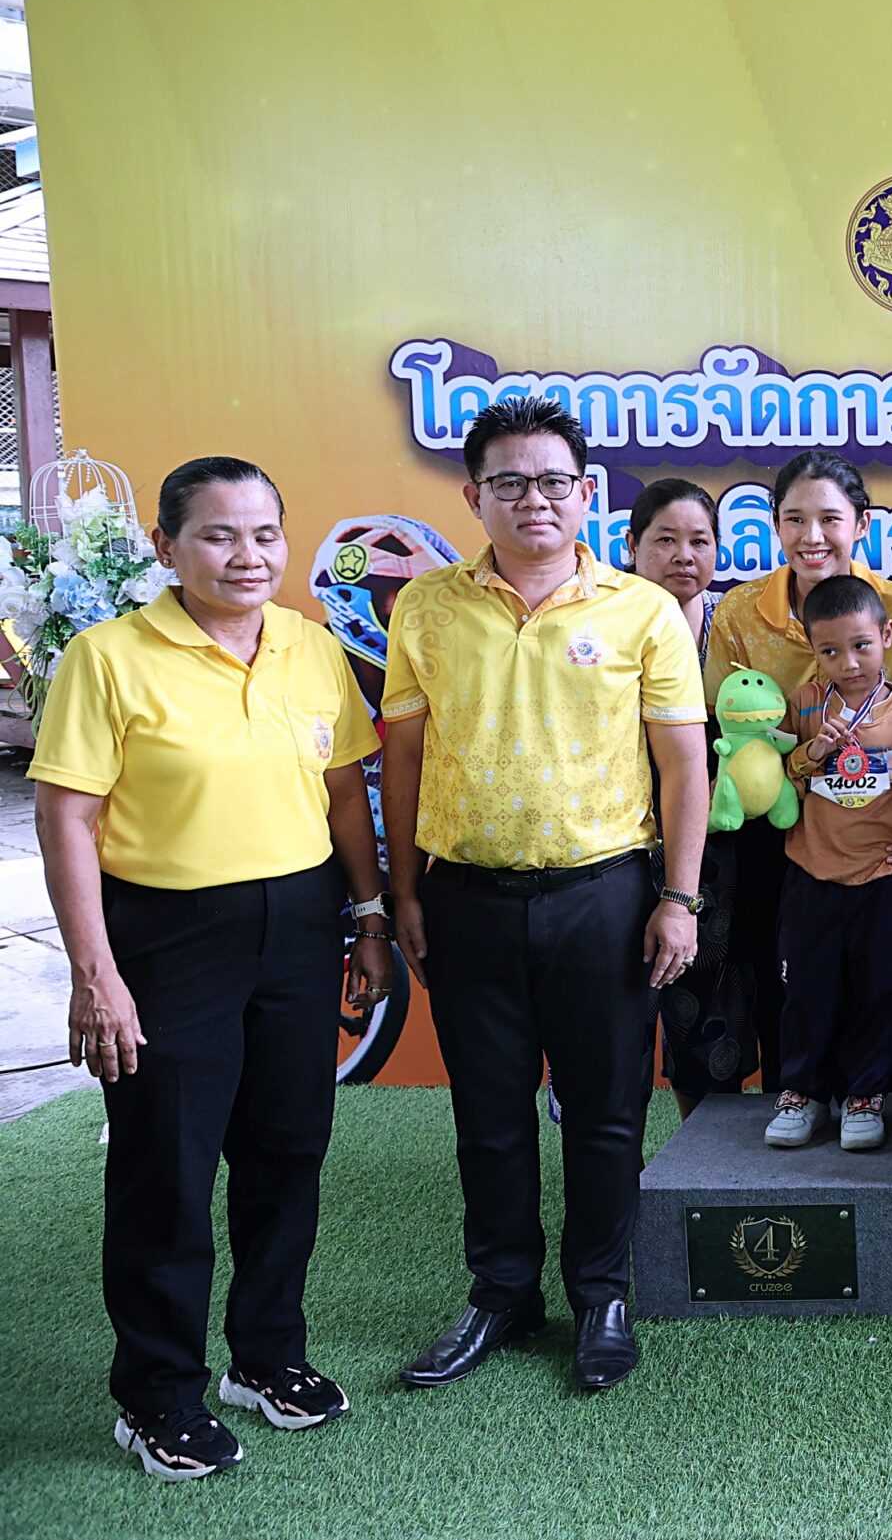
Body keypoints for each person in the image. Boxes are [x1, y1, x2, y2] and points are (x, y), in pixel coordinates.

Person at [33, 458, 390, 1479]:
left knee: (287, 1149)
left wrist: (368, 916)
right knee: (168, 1166)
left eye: (265, 534)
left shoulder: (310, 646)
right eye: (219, 535)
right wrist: (95, 972)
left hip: (299, 925)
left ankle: (267, 1356)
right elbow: (67, 816)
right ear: (167, 546)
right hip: (167, 935)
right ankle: (156, 1394)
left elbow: (342, 787)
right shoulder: (108, 657)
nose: (247, 555)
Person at [382, 396, 707, 1393]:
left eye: (555, 481)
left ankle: (602, 1294)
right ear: (473, 495)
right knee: (488, 1112)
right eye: (511, 482)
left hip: (604, 898)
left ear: (586, 492)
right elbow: (402, 756)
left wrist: (680, 897)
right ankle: (502, 1292)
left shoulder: (641, 609)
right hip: (465, 897)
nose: (536, 500)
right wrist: (403, 893)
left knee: (607, 1113)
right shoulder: (425, 606)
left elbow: (684, 765)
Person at [701, 451, 892, 1088]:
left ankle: (871, 1105)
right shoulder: (740, 612)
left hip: (872, 830)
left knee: (876, 984)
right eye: (794, 519)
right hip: (773, 829)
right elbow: (724, 727)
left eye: (830, 518)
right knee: (788, 982)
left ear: (862, 523)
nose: (812, 536)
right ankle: (794, 1098)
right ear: (775, 524)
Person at [764, 575, 892, 1148]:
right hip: (811, 877)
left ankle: (868, 1095)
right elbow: (775, 789)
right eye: (830, 651)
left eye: (862, 645)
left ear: (886, 635)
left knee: (881, 991)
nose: (848, 663)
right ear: (812, 648)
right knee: (807, 991)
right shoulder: (802, 704)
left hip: (883, 879)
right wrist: (810, 752)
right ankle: (804, 1092)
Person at [628, 477, 748, 1117]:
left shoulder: (737, 625)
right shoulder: (601, 619)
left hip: (712, 856)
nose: (684, 555)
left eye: (700, 541)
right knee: (612, 1027)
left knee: (706, 1027)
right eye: (665, 540)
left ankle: (702, 1163)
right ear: (632, 545)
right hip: (614, 853)